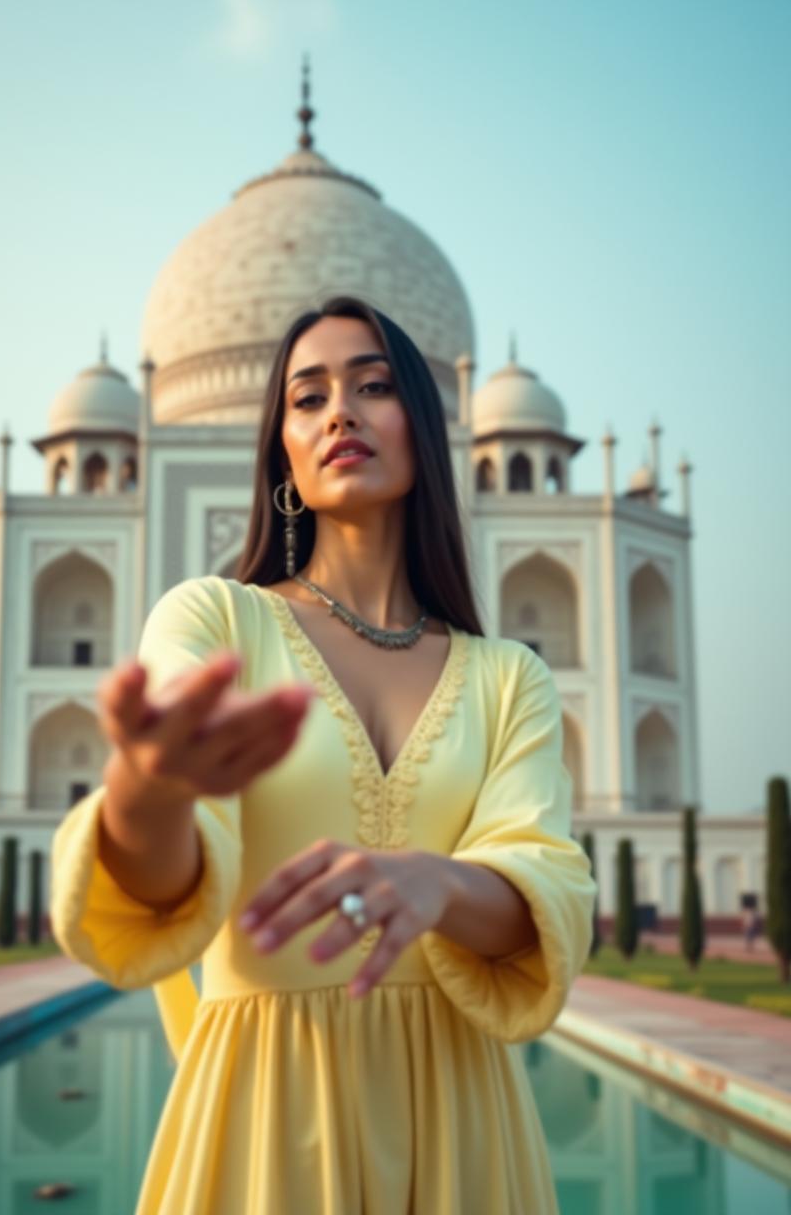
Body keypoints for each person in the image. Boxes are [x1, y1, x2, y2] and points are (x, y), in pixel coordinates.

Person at [50, 295, 597, 1214]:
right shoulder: (215, 620)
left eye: (373, 386)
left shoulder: (508, 677)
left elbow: (544, 898)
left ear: (424, 427)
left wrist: (440, 883)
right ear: (283, 457)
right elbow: (157, 889)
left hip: (462, 1122)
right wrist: (150, 783)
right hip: (265, 1113)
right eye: (308, 398)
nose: (340, 410)